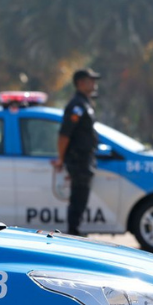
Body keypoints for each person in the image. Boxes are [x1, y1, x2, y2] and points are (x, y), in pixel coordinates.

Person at [53, 68, 101, 236]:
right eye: (90, 80)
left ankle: (76, 230)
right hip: (78, 160)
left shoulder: (85, 103)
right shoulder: (76, 105)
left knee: (81, 198)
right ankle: (74, 232)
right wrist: (61, 158)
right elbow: (64, 135)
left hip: (85, 159)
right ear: (80, 83)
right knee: (78, 198)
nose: (94, 84)